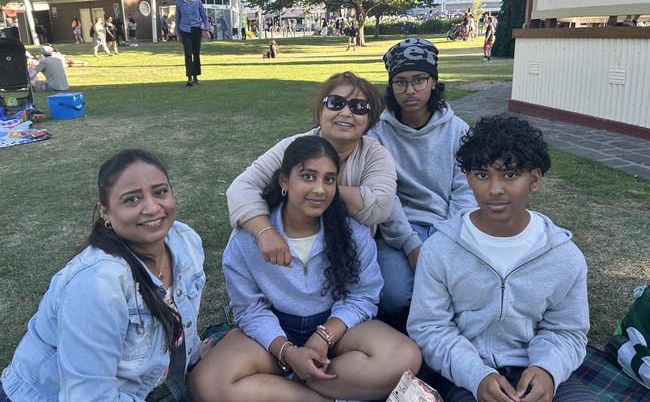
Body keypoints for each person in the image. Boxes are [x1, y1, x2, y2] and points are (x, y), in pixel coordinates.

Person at [189, 136, 421, 402]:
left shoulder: (352, 233)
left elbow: (362, 296)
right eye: (308, 177)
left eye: (329, 179)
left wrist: (322, 338)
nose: (320, 189)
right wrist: (288, 352)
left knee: (405, 356)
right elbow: (250, 309)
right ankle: (317, 396)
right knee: (205, 383)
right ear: (284, 180)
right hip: (272, 330)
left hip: (336, 330)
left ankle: (286, 384)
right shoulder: (249, 237)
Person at [408, 115, 597, 402]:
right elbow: (429, 327)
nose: (495, 189)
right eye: (483, 175)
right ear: (469, 179)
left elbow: (568, 331)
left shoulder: (564, 256)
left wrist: (547, 370)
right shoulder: (439, 249)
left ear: (533, 179)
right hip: (466, 374)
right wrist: (477, 376)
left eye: (510, 175)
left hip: (538, 372)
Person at [0, 149, 207, 402]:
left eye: (160, 192)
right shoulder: (97, 282)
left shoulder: (184, 241)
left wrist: (195, 360)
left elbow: (181, 319)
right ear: (105, 212)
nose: (152, 207)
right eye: (131, 199)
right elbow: (89, 397)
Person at [226, 71, 396, 269]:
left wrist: (315, 188)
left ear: (370, 119)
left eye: (359, 107)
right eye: (335, 103)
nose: (346, 113)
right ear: (321, 110)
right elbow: (241, 187)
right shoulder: (294, 146)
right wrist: (265, 232)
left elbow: (379, 208)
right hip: (290, 245)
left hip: (349, 250)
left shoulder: (376, 155)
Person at [368, 38, 476, 331]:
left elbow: (465, 190)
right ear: (391, 87)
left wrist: (448, 238)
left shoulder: (458, 130)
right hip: (399, 230)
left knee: (465, 292)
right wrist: (413, 247)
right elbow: (385, 197)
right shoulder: (377, 132)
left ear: (434, 82)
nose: (410, 90)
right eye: (400, 82)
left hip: (449, 227)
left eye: (419, 80)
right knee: (394, 297)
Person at [175, 0, 208, 86]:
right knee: (188, 53)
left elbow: (204, 16)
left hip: (196, 29)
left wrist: (206, 29)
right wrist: (177, 33)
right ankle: (189, 77)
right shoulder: (179, 2)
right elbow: (177, 18)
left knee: (196, 53)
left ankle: (196, 76)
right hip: (184, 30)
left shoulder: (197, 1)